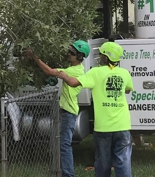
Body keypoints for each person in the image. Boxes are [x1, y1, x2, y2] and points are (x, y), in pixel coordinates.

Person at [57, 41, 134, 177]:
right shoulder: (125, 73)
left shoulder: (95, 73)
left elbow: (73, 83)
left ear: (105, 57)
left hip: (103, 128)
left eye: (101, 54)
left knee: (103, 165)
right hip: (123, 126)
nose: (99, 56)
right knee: (123, 163)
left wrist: (64, 75)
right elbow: (127, 90)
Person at [25, 40, 90, 177]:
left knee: (64, 145)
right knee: (60, 144)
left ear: (79, 56)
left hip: (68, 112)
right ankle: (60, 172)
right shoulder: (77, 68)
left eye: (72, 53)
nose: (69, 54)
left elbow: (48, 71)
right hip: (67, 111)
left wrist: (34, 56)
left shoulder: (72, 71)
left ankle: (68, 174)